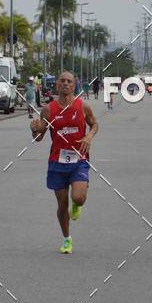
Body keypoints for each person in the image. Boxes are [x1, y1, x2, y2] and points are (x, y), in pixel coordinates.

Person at [30, 71, 99, 254]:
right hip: (57, 162)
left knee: (78, 197)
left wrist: (89, 137)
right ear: (57, 85)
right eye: (63, 81)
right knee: (61, 205)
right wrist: (34, 130)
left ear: (74, 85)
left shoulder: (82, 106)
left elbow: (94, 124)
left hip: (79, 159)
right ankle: (67, 239)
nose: (66, 84)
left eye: (69, 81)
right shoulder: (48, 110)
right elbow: (39, 138)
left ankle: (77, 203)